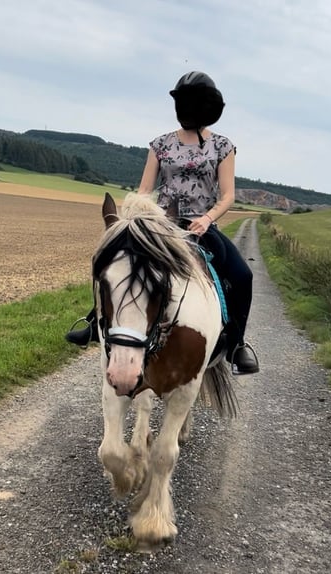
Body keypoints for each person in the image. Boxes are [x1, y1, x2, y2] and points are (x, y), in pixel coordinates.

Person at [66, 71, 259, 374]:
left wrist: (207, 219)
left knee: (242, 275)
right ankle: (94, 321)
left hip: (201, 227)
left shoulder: (223, 147)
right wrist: (137, 217)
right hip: (160, 226)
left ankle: (237, 344)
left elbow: (228, 196)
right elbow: (145, 190)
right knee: (120, 266)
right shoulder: (160, 145)